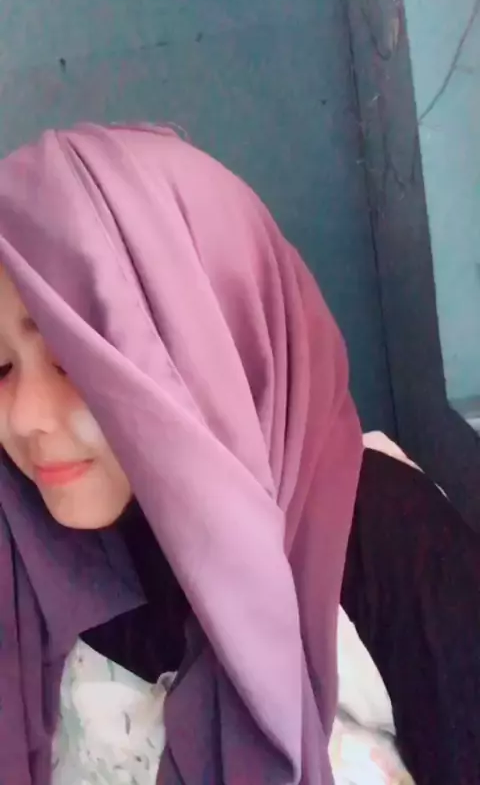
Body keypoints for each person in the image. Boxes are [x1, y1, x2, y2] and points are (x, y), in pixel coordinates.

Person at [0, 124, 477, 785]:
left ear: (208, 338)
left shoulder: (379, 540)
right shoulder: (24, 550)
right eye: (0, 368)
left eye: (72, 359)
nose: (24, 416)